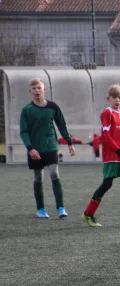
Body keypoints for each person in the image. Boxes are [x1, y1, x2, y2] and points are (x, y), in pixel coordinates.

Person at [81, 84, 120, 228]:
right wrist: (119, 151)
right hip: (112, 155)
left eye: (119, 97)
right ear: (108, 99)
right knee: (107, 184)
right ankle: (87, 214)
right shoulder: (106, 113)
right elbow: (106, 137)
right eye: (114, 97)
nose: (117, 100)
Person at [19, 77, 76, 218]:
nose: (37, 91)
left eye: (39, 88)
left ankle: (61, 208)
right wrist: (30, 148)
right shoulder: (27, 110)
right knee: (38, 177)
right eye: (34, 88)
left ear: (44, 89)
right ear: (30, 91)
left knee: (54, 174)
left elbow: (62, 125)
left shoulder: (53, 107)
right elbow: (23, 132)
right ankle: (41, 209)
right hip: (35, 149)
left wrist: (69, 142)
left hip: (51, 146)